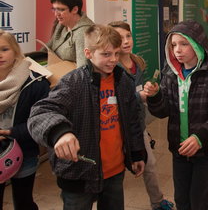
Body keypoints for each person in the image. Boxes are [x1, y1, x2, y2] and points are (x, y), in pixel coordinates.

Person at [27, 25, 146, 210]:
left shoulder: (123, 81)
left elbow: (132, 122)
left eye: (116, 53)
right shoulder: (73, 82)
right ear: (88, 53)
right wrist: (60, 132)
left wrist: (137, 153)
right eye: (106, 54)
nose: (113, 59)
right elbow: (41, 112)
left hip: (115, 170)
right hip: (80, 172)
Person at [144, 20, 208, 210]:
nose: (178, 50)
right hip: (179, 149)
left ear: (197, 44)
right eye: (174, 45)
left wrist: (200, 138)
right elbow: (162, 112)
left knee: (199, 201)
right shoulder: (170, 73)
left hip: (204, 150)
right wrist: (155, 96)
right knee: (182, 200)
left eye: (184, 44)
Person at [108, 21, 174, 210]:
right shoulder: (111, 66)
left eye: (128, 36)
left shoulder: (137, 61)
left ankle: (157, 201)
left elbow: (138, 92)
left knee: (150, 164)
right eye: (120, 38)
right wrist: (139, 96)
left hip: (138, 124)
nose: (126, 41)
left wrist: (149, 92)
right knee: (115, 171)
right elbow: (115, 99)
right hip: (117, 126)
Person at [0, 30, 50, 210]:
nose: (0, 55)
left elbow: (42, 121)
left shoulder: (36, 83)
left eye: (4, 49)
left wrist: (12, 132)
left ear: (15, 50)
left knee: (23, 201)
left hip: (24, 151)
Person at [46, 0, 94, 67]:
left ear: (75, 9)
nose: (56, 14)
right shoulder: (61, 25)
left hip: (70, 77)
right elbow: (48, 47)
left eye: (61, 9)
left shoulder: (84, 31)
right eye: (54, 9)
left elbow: (83, 68)